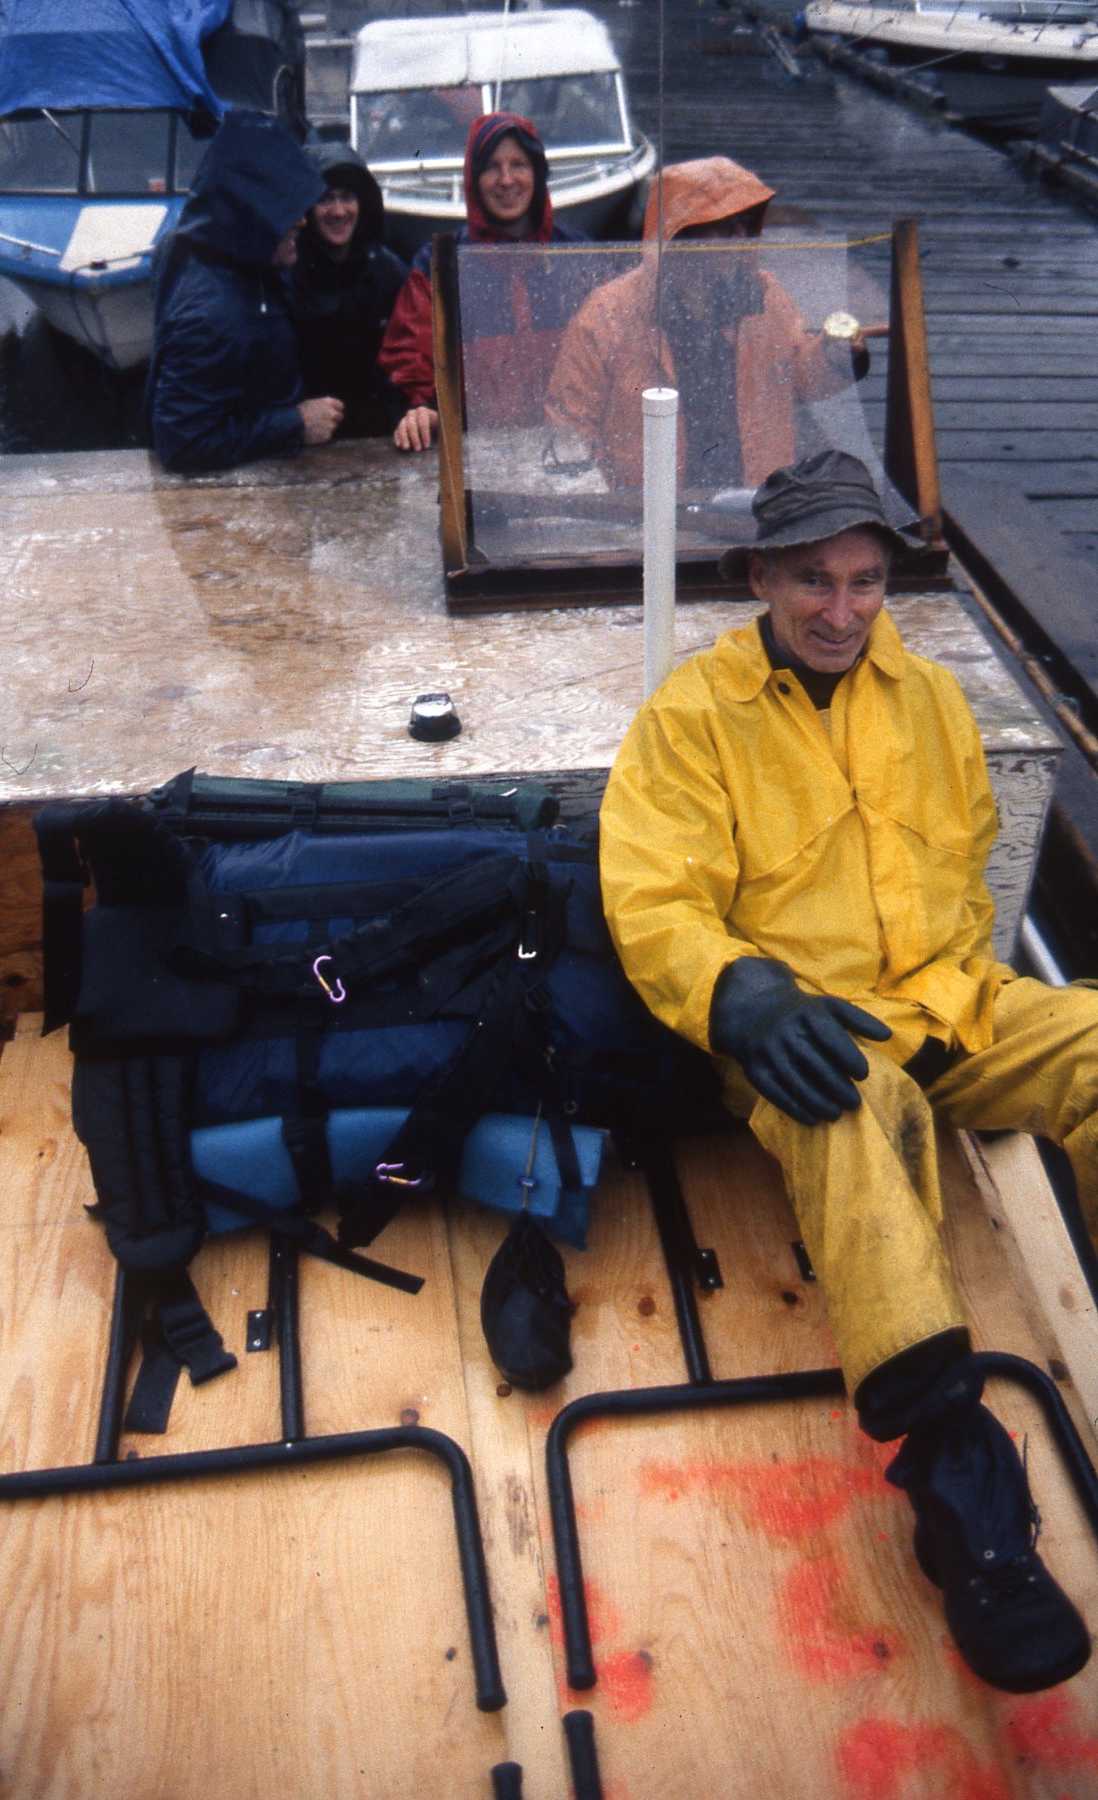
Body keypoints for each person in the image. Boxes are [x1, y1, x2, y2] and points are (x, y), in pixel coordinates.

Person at [599, 449, 1097, 1696]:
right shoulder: (689, 719)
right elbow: (653, 897)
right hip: (805, 1036)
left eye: (866, 582)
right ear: (761, 578)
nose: (840, 610)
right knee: (844, 1107)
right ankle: (962, 1489)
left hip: (949, 1004)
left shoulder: (930, 700)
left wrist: (950, 998)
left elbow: (970, 859)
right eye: (813, 581)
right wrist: (741, 991)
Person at [545, 158, 866, 491]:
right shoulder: (607, 313)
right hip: (648, 515)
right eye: (725, 225)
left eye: (744, 223)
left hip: (756, 503)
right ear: (680, 234)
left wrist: (835, 358)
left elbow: (799, 376)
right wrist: (601, 511)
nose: (739, 236)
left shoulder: (764, 295)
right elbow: (569, 421)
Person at [379, 111, 588, 453]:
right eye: (492, 167)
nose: (506, 180)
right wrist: (420, 408)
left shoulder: (577, 255)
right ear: (473, 179)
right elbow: (409, 357)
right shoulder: (439, 263)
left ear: (538, 173)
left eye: (519, 164)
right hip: (476, 451)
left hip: (565, 447)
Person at [146, 112, 344, 473]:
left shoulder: (200, 246)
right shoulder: (212, 316)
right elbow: (183, 442)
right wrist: (297, 423)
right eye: (286, 208)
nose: (303, 220)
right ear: (252, 213)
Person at [287, 143, 409, 439]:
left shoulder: (388, 272)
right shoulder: (287, 274)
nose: (339, 212)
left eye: (347, 198)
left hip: (379, 437)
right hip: (308, 438)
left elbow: (408, 363)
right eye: (325, 199)